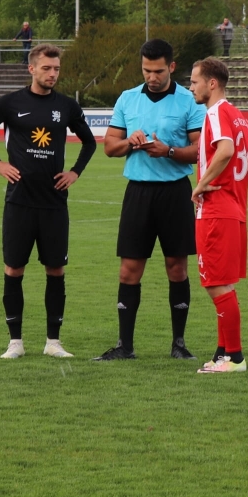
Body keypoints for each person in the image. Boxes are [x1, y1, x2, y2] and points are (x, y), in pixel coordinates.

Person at [0, 44, 96, 359]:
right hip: (19, 202)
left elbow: (90, 142)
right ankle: (15, 343)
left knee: (56, 270)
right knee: (14, 269)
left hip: (54, 204)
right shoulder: (10, 103)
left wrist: (75, 172)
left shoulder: (67, 106)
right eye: (46, 68)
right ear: (32, 69)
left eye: (56, 69)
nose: (52, 74)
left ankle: (53, 342)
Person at [94, 39, 204, 361]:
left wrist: (168, 151)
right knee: (129, 270)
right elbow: (109, 146)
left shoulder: (188, 101)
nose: (152, 77)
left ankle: (179, 345)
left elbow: (199, 150)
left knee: (177, 267)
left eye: (158, 71)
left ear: (171, 67)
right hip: (138, 192)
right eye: (146, 70)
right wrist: (130, 142)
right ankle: (124, 346)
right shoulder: (128, 98)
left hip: (175, 192)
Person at [188, 58, 248, 373]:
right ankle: (222, 354)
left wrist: (201, 186)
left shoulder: (216, 112)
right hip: (233, 209)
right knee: (221, 284)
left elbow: (226, 150)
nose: (191, 87)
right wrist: (234, 188)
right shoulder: (237, 115)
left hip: (216, 211)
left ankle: (234, 357)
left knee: (217, 285)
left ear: (212, 83)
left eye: (194, 81)